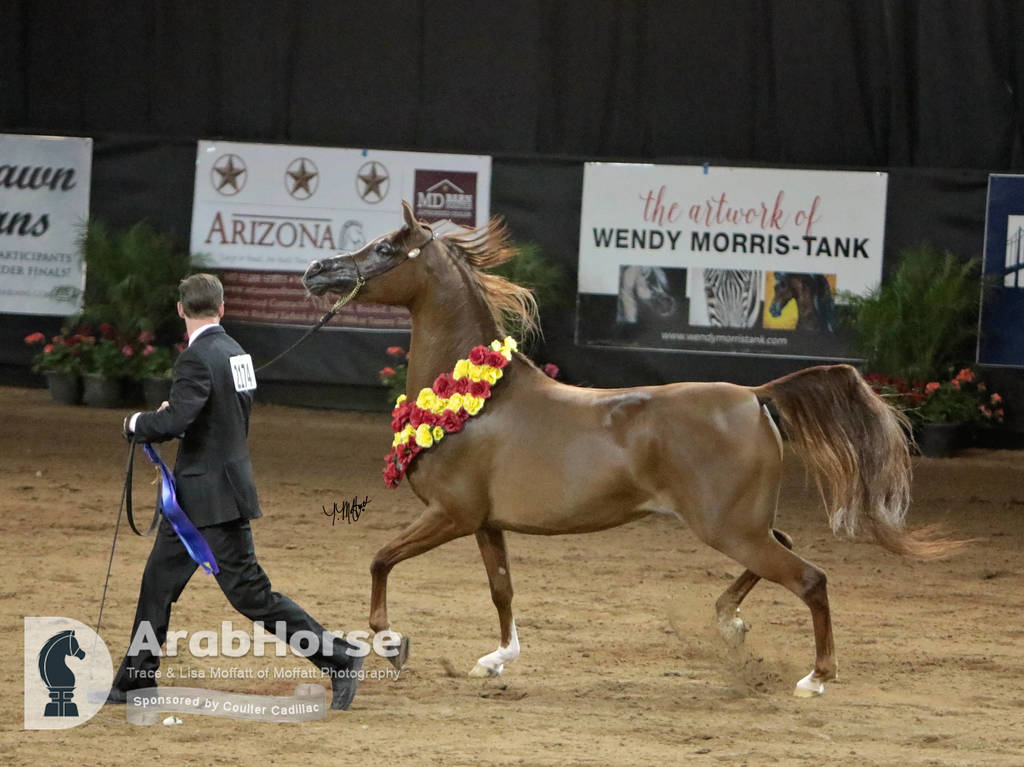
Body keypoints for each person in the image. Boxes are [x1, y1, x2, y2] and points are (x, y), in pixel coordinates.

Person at [107, 273, 362, 710]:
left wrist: (136, 423)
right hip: (202, 497)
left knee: (251, 596)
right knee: (157, 585)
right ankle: (135, 679)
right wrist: (179, 411)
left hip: (211, 501)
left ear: (181, 310)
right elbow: (224, 413)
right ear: (222, 308)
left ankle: (339, 658)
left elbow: (176, 423)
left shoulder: (194, 358)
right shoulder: (237, 353)